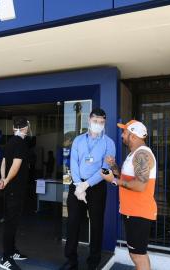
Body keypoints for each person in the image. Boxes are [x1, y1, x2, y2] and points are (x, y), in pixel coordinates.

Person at [63, 108, 116, 270]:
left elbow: (106, 169)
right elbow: (73, 163)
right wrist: (79, 185)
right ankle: (71, 260)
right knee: (72, 223)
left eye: (101, 122)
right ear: (89, 121)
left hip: (97, 188)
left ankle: (93, 262)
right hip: (77, 186)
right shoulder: (78, 140)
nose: (98, 124)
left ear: (104, 123)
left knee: (96, 224)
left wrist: (87, 185)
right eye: (95, 121)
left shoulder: (109, 143)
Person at [101, 120, 157, 270]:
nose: (122, 135)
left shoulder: (142, 154)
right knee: (137, 254)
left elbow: (140, 185)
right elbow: (126, 178)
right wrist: (113, 166)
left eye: (125, 132)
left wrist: (113, 180)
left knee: (138, 256)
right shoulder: (134, 154)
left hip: (139, 213)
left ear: (133, 136)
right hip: (133, 212)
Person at [0, 117, 30, 270]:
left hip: (10, 189)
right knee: (11, 223)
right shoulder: (21, 143)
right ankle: (5, 258)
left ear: (13, 129)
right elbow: (15, 166)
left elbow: (3, 163)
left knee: (12, 222)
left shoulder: (9, 142)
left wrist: (3, 179)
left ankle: (11, 250)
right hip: (15, 190)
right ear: (26, 128)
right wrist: (7, 180)